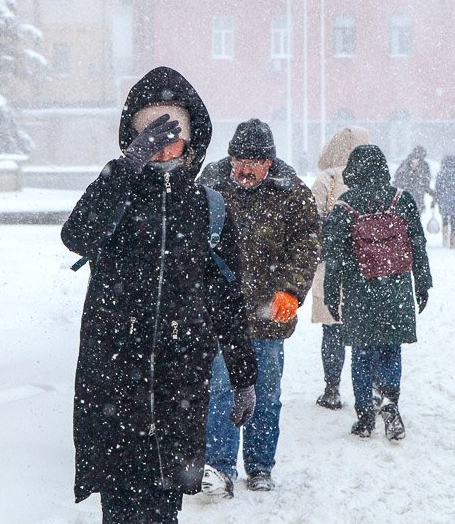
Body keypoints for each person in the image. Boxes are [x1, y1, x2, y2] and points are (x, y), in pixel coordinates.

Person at [61, 67, 258, 524]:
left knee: (163, 506)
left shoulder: (207, 209)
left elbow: (227, 299)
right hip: (116, 379)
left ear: (191, 141)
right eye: (150, 137)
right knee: (120, 506)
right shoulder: (117, 194)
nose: (162, 149)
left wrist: (244, 374)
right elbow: (76, 235)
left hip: (178, 383)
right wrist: (125, 170)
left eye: (172, 136)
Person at [198, 119, 320, 496]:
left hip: (268, 316)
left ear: (270, 162)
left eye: (254, 162)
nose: (245, 169)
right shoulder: (208, 188)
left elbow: (308, 245)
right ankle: (219, 467)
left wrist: (291, 291)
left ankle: (260, 465)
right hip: (220, 314)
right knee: (221, 388)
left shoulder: (293, 195)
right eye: (238, 160)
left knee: (265, 392)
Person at [323, 144, 432, 441]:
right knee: (390, 348)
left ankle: (365, 417)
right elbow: (418, 246)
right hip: (395, 288)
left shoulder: (346, 205)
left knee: (361, 353)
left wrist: (331, 292)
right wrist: (423, 283)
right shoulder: (402, 200)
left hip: (360, 291)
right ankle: (390, 401)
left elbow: (334, 255)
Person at [309, 125, 370, 410]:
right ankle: (368, 390)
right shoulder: (371, 179)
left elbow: (310, 222)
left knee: (332, 329)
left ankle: (332, 389)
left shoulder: (327, 179)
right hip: (365, 267)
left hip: (331, 264)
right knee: (363, 333)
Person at [433, 155, 455, 249]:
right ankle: (452, 241)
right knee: (453, 220)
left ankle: (445, 238)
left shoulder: (440, 173)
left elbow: (437, 188)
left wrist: (436, 199)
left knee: (445, 220)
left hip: (443, 200)